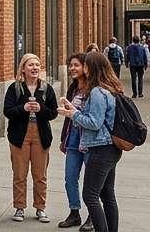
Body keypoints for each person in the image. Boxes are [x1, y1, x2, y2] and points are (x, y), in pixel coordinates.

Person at [58, 51, 124, 232]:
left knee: (91, 195)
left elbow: (94, 123)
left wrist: (73, 114)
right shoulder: (110, 88)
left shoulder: (97, 91)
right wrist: (74, 110)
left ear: (92, 68)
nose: (82, 68)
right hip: (111, 148)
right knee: (107, 195)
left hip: (100, 148)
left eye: (85, 65)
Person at [3, 53, 58, 223]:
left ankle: (40, 208)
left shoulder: (46, 88)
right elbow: (7, 111)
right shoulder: (15, 88)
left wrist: (41, 109)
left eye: (37, 65)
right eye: (31, 65)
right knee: (19, 174)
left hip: (41, 135)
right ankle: (19, 207)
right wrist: (24, 108)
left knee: (39, 175)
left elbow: (53, 112)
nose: (34, 68)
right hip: (20, 135)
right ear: (23, 68)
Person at [56, 54, 90, 229]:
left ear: (85, 67)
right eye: (70, 65)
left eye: (76, 65)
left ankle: (93, 215)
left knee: (91, 181)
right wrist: (64, 137)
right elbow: (69, 118)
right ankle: (74, 212)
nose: (72, 68)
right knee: (70, 178)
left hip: (90, 140)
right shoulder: (73, 88)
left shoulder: (94, 89)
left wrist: (74, 111)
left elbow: (94, 118)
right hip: (73, 137)